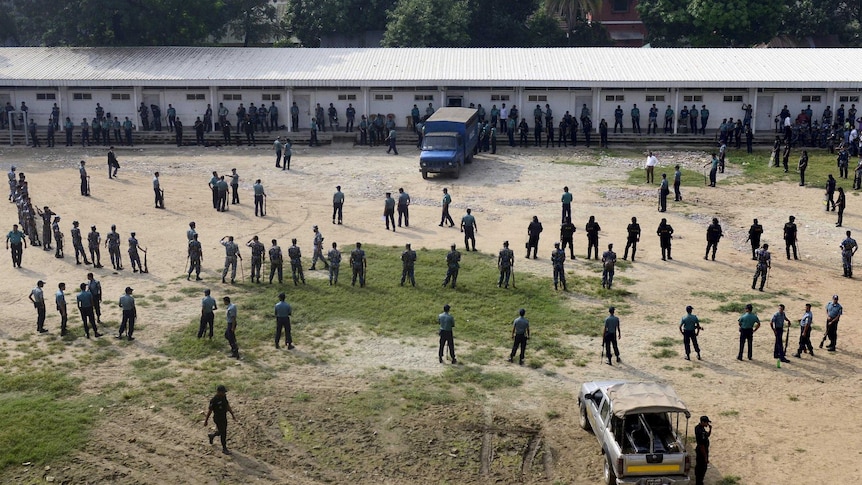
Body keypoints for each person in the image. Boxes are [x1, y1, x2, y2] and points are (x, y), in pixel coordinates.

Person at [204, 384, 238, 455]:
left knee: (221, 432)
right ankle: (224, 448)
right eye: (222, 392)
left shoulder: (223, 397)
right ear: (218, 392)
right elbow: (210, 411)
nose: (224, 393)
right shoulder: (214, 400)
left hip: (224, 417)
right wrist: (206, 420)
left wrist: (232, 415)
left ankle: (212, 436)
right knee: (223, 433)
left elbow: (227, 406)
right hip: (217, 418)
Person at [694, 416, 712, 485]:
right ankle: (699, 482)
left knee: (700, 467)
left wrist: (710, 429)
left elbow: (707, 435)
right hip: (702, 451)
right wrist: (705, 457)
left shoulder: (699, 428)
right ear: (702, 422)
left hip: (702, 450)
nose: (707, 424)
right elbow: (702, 446)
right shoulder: (700, 431)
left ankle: (699, 481)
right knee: (701, 468)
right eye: (706, 422)